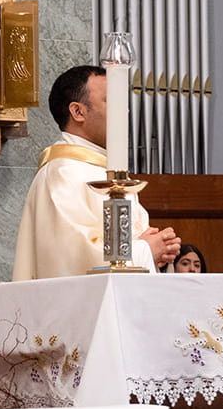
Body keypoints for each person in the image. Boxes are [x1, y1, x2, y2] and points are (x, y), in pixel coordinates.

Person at [12, 65, 181, 280]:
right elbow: (71, 256)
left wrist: (161, 251)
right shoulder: (63, 173)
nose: (126, 111)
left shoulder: (104, 170)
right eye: (112, 101)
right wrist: (146, 251)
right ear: (78, 111)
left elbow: (139, 241)